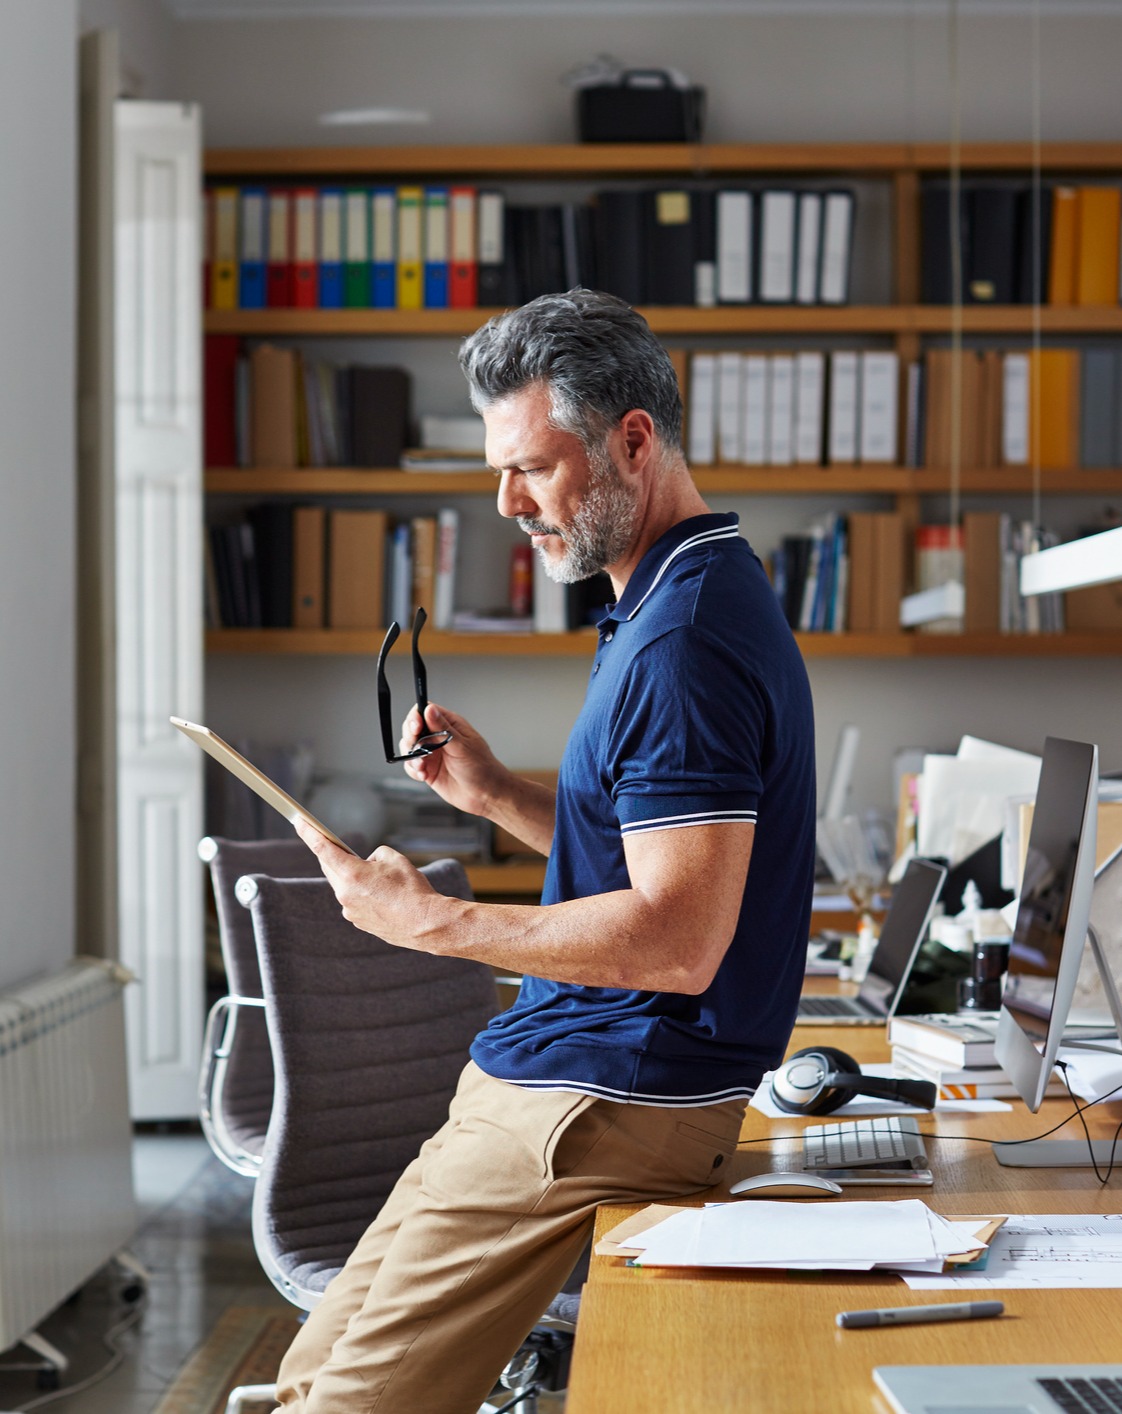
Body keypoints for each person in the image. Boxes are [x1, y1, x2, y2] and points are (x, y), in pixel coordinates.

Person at [276, 288, 816, 1414]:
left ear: (632, 440)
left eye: (533, 467)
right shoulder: (665, 593)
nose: (508, 503)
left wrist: (432, 922)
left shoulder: (684, 641)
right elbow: (646, 853)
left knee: (348, 1406)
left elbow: (674, 940)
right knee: (307, 1376)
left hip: (608, 1091)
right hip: (558, 1069)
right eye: (496, 469)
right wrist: (496, 795)